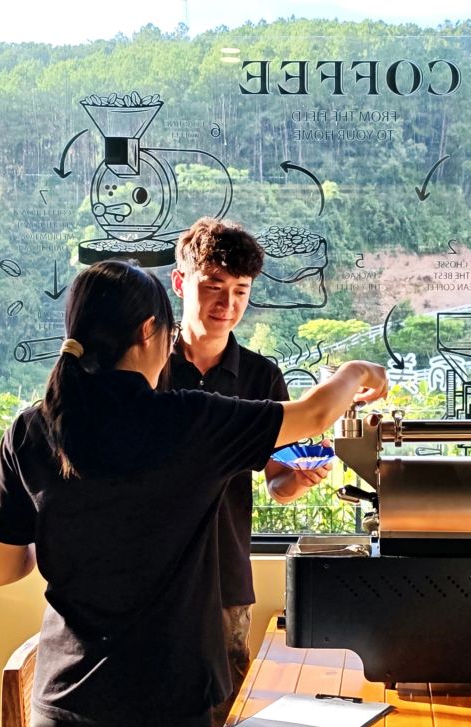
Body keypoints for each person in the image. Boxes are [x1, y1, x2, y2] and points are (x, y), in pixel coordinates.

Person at [0, 259, 387, 727]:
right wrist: (356, 371)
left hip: (65, 694)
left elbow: (1, 569)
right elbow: (314, 415)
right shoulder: (191, 420)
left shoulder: (31, 428)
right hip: (170, 694)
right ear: (148, 331)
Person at [163, 218, 332, 724]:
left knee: (226, 709)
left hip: (226, 575)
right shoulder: (147, 366)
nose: (227, 303)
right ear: (180, 282)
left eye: (240, 291)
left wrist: (297, 478)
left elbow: (277, 480)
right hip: (152, 573)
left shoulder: (261, 375)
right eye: (213, 286)